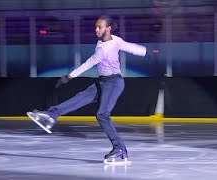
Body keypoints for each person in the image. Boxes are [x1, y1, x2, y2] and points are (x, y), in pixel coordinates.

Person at [27, 15, 153, 165]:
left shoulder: (107, 46)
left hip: (114, 83)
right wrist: (147, 51)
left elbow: (92, 62)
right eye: (96, 27)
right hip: (103, 82)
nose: (96, 30)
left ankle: (120, 149)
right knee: (80, 97)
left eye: (99, 27)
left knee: (102, 115)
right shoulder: (102, 42)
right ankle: (51, 115)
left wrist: (69, 76)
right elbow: (127, 47)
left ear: (108, 29)